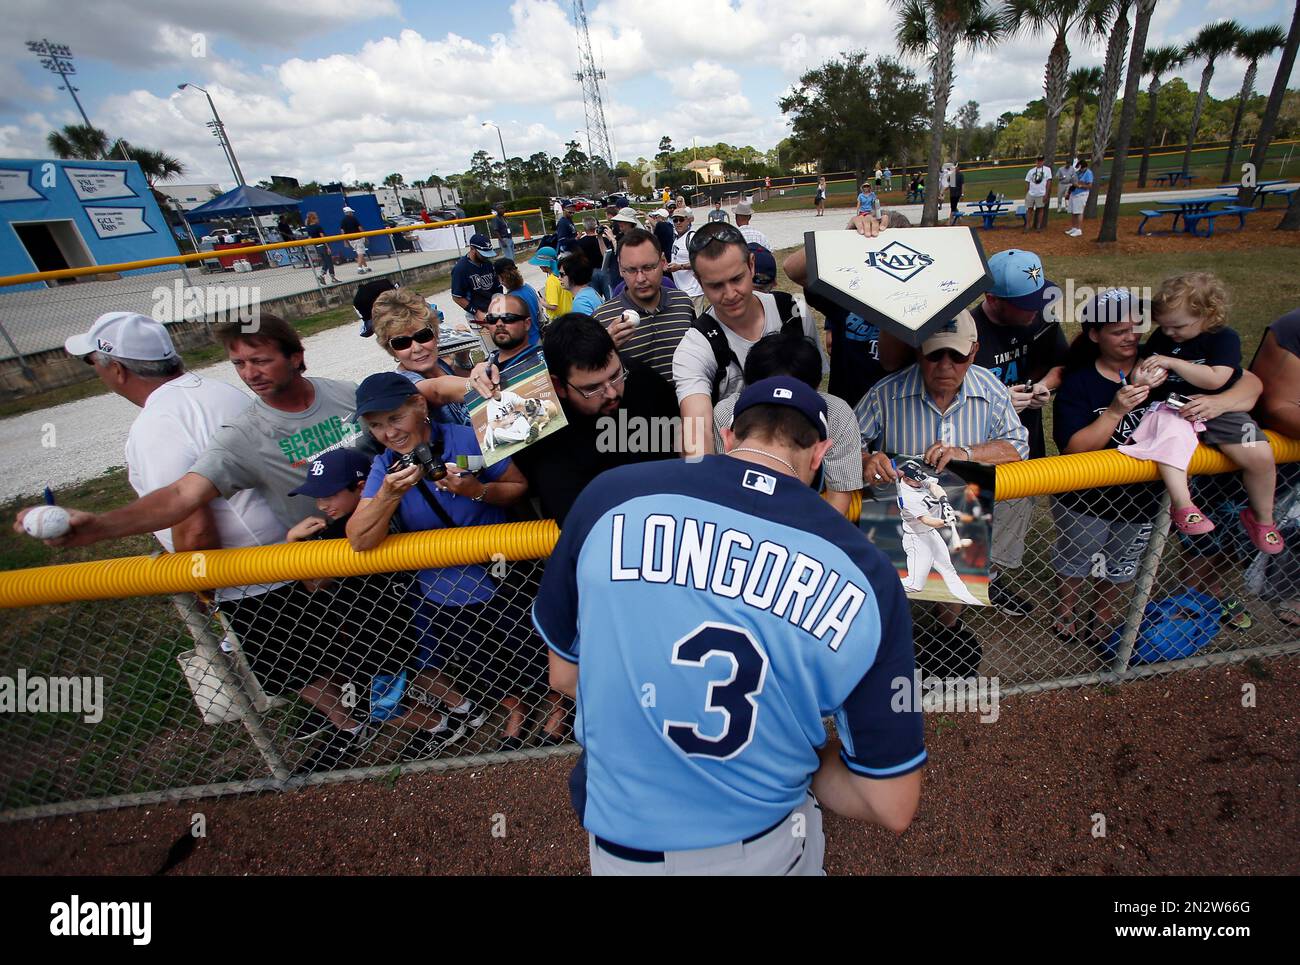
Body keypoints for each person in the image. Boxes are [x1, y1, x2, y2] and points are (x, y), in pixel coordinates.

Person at [533, 376, 925, 875]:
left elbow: (564, 678)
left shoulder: (609, 498)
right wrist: (792, 753)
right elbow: (890, 803)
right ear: (820, 451)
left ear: (729, 437)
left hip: (624, 852)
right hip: (764, 851)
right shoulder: (866, 570)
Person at [16, 315, 409, 762]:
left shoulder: (338, 394)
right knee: (349, 645)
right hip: (313, 554)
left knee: (337, 649)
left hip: (327, 553)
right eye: (239, 363)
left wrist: (199, 580)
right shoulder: (232, 411)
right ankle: (377, 713)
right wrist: (100, 526)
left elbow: (192, 515)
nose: (249, 374)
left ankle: (374, 716)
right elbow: (187, 491)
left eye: (259, 360)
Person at [345, 373, 557, 750]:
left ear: (420, 406)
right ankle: (514, 708)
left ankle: (558, 705)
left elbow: (518, 487)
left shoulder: (467, 436)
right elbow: (359, 538)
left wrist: (476, 490)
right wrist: (388, 496)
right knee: (481, 658)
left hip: (501, 575)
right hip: (442, 591)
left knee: (531, 644)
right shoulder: (384, 467)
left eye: (395, 418)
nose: (388, 433)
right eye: (376, 425)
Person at [63, 310, 286, 613]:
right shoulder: (219, 390)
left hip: (253, 585)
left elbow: (193, 527)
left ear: (117, 369)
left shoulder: (157, 423)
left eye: (92, 363)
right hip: (295, 554)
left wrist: (201, 586)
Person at [284, 446, 477, 766]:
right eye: (317, 497)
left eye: (329, 495)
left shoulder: (339, 532)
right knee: (417, 673)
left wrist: (293, 544)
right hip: (389, 624)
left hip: (379, 627)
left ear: (361, 488)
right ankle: (463, 712)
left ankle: (441, 724)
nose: (321, 505)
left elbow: (314, 584)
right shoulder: (384, 512)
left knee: (376, 705)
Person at [857, 311, 1028, 640]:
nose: (946, 366)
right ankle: (892, 630)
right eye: (935, 354)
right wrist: (867, 459)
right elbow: (847, 443)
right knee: (896, 592)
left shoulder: (990, 388)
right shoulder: (885, 393)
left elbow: (1018, 444)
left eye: (958, 355)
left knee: (954, 566)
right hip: (898, 506)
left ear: (974, 351)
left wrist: (967, 454)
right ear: (918, 351)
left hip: (961, 507)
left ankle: (947, 630)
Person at [1129, 272, 1281, 550]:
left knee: (1260, 453)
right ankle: (1183, 506)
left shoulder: (1224, 338)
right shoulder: (1161, 339)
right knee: (1170, 444)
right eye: (1164, 327)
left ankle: (1262, 518)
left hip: (1220, 408)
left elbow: (1215, 379)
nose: (1169, 333)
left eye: (1178, 327)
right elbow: (1139, 369)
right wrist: (1141, 379)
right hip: (1172, 408)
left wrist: (1173, 363)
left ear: (1208, 314)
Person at [672, 222, 826, 459]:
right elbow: (697, 430)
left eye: (736, 279)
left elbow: (815, 387)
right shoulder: (694, 348)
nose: (730, 294)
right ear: (698, 281)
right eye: (716, 286)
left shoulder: (794, 313)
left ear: (751, 265)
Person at [971, 249, 1069, 617]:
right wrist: (997, 401)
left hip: (1024, 443)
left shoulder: (1039, 314)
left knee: (1013, 517)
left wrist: (1044, 385)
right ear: (991, 298)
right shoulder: (968, 330)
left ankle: (991, 579)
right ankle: (957, 591)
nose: (1033, 311)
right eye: (1022, 304)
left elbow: (1062, 362)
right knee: (972, 518)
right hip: (979, 449)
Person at [510, 313, 679, 524]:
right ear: (559, 386)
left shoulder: (643, 378)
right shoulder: (541, 427)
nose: (611, 393)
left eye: (617, 375)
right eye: (592, 388)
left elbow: (679, 439)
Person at [712, 331, 860, 517]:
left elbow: (839, 495)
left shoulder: (837, 414)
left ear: (815, 388)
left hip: (808, 517)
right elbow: (727, 485)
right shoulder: (726, 412)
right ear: (749, 386)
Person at [591, 227, 696, 386]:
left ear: (662, 263)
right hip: (629, 411)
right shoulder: (602, 318)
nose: (640, 278)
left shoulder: (684, 303)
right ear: (620, 268)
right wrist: (604, 350)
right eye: (631, 270)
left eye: (648, 268)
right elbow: (591, 377)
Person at [370, 287, 472, 426]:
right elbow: (437, 391)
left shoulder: (438, 364)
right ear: (392, 350)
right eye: (402, 342)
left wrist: (462, 358)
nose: (417, 348)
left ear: (435, 334)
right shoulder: (405, 383)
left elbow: (461, 383)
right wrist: (478, 383)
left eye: (423, 335)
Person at [895, 460, 981, 605]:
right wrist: (946, 522)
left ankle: (972, 600)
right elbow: (927, 520)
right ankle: (882, 580)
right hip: (917, 539)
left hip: (932, 534)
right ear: (906, 479)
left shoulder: (917, 480)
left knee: (949, 571)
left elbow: (935, 486)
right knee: (915, 585)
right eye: (916, 480)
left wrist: (944, 502)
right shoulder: (907, 497)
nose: (921, 482)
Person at [450, 233, 501, 325]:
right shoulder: (461, 269)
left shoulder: (488, 264)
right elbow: (457, 297)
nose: (486, 257)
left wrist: (499, 304)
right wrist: (477, 313)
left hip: (494, 310)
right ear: (472, 249)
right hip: (477, 314)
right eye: (483, 254)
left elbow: (497, 287)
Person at [665, 206, 706, 310]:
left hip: (694, 292)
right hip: (681, 291)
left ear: (688, 220)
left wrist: (680, 267)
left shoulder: (692, 237)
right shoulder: (677, 239)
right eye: (675, 220)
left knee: (696, 323)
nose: (678, 222)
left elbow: (701, 263)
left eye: (681, 219)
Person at [493, 257, 542, 344]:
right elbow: (540, 314)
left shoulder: (510, 299)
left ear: (501, 278)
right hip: (537, 338)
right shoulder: (528, 288)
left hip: (524, 344)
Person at [529, 246, 572, 319]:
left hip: (559, 319)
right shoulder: (562, 274)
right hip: (570, 314)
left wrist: (540, 300)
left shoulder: (551, 281)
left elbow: (553, 306)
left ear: (545, 265)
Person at [560, 252, 602, 316]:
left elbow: (588, 325)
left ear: (573, 274)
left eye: (562, 274)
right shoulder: (590, 291)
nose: (559, 278)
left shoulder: (580, 301)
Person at [577, 217, 609, 298]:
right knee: (611, 297)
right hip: (604, 270)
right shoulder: (604, 240)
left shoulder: (580, 243)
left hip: (590, 273)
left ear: (584, 228)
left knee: (595, 299)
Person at [305, 211, 338, 284]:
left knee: (325, 262)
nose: (318, 219)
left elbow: (310, 238)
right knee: (329, 262)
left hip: (317, 247)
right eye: (316, 218)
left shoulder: (308, 228)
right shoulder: (318, 226)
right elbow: (322, 237)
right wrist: (328, 247)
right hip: (323, 245)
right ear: (314, 219)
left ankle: (322, 275)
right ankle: (333, 278)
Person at [1023, 155, 1052, 232]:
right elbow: (1027, 182)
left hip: (1041, 193)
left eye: (1041, 160)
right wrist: (1027, 193)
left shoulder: (1047, 170)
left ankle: (1038, 226)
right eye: (1038, 160)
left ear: (1043, 161)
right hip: (1031, 193)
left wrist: (1046, 194)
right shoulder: (1031, 171)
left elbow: (1049, 182)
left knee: (1040, 209)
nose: (1039, 162)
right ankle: (1027, 225)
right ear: (1036, 161)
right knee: (1029, 209)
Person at [1066, 159, 1093, 237]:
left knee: (1079, 211)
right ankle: (1074, 227)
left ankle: (1079, 229)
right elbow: (1072, 182)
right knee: (1073, 211)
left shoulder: (1088, 173)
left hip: (1081, 194)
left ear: (1085, 167)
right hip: (1074, 193)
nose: (1080, 170)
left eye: (1081, 168)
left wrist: (1080, 185)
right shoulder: (1077, 172)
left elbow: (1089, 185)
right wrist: (1069, 192)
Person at [340, 205, 370, 274]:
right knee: (361, 253)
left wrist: (345, 241)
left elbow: (342, 232)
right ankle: (359, 268)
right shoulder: (354, 219)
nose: (352, 213)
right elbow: (360, 228)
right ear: (349, 212)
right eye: (351, 212)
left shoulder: (343, 221)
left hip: (351, 240)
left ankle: (366, 267)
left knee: (360, 253)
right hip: (358, 238)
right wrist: (365, 236)